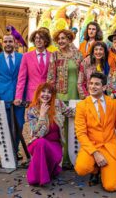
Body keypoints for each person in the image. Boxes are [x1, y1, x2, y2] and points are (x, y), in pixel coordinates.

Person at [74, 72, 116, 192]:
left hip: (109, 145)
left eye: (97, 84)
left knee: (111, 187)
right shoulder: (82, 106)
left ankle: (107, 169)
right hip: (91, 145)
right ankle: (95, 170)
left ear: (104, 87)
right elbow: (81, 134)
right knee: (81, 168)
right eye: (91, 83)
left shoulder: (113, 103)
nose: (92, 86)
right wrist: (95, 153)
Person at [26, 83, 74, 186]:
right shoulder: (32, 110)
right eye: (43, 91)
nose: (46, 94)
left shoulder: (58, 104)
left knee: (54, 170)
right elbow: (36, 133)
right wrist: (42, 115)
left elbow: (71, 112)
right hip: (37, 144)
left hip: (55, 145)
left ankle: (49, 171)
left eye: (49, 92)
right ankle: (36, 178)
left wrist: (90, 107)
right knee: (41, 142)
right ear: (38, 93)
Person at [47, 29, 82, 167]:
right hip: (60, 95)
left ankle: (73, 157)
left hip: (76, 95)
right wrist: (51, 96)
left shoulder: (78, 55)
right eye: (58, 39)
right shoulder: (55, 55)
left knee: (74, 126)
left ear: (69, 39)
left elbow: (83, 74)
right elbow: (50, 76)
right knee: (60, 126)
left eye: (63, 38)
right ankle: (62, 159)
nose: (60, 41)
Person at [0, 34, 24, 153]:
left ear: (15, 43)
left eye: (10, 41)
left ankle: (15, 149)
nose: (8, 44)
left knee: (19, 125)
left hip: (19, 98)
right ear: (2, 44)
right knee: (5, 126)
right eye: (6, 42)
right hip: (2, 98)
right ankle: (7, 151)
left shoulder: (22, 58)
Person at [14, 29, 51, 105]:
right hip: (31, 95)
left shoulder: (52, 56)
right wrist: (18, 96)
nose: (38, 40)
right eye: (36, 38)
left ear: (46, 41)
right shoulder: (26, 56)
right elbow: (21, 78)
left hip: (48, 95)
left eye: (41, 38)